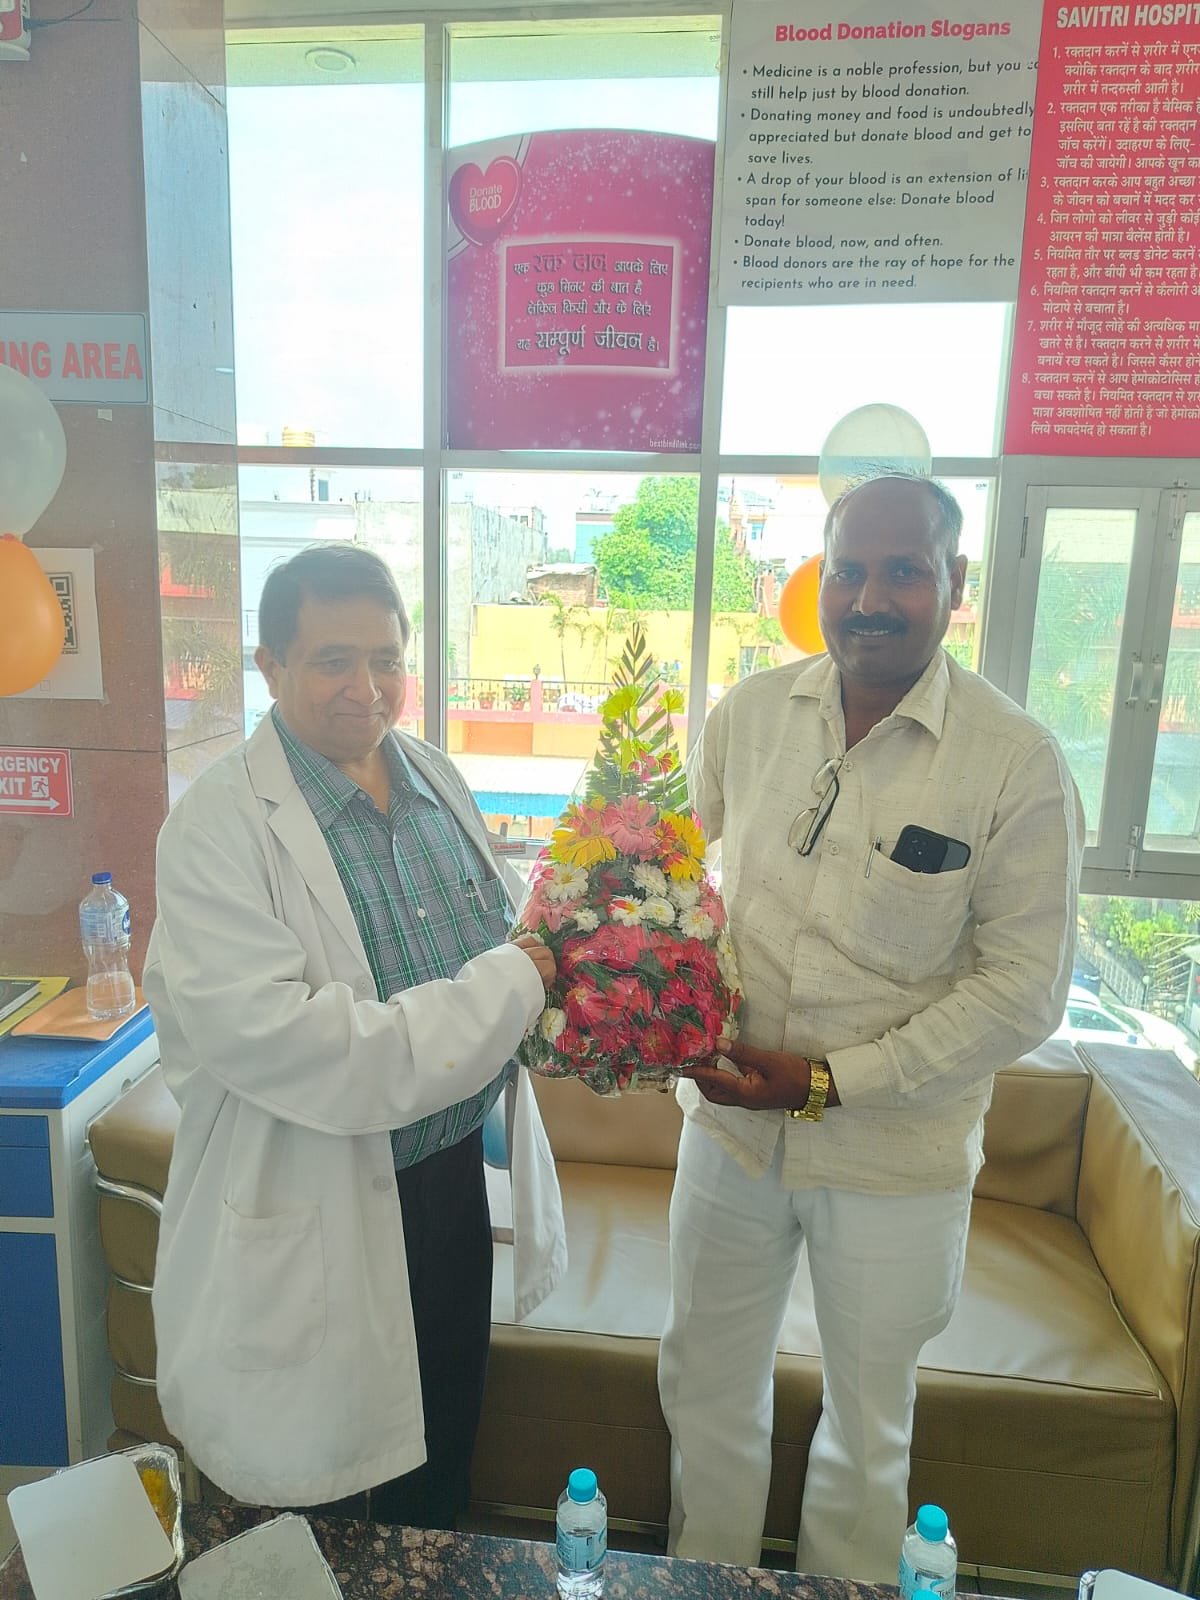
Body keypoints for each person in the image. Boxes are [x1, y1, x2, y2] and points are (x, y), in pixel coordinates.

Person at [658, 474, 1082, 1580]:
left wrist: (828, 1081)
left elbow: (1025, 989)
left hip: (896, 1159)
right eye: (848, 569)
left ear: (956, 583)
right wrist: (643, 995)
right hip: (730, 1135)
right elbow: (672, 881)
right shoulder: (751, 715)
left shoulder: (1014, 760)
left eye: (904, 571)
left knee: (865, 1427)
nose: (869, 598)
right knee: (703, 1388)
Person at [143, 543, 566, 1522]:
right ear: (270, 665)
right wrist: (517, 980)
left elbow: (501, 938)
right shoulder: (216, 829)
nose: (366, 689)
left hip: (450, 1191)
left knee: (439, 1467)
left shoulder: (434, 779)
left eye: (386, 659)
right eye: (332, 660)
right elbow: (308, 1050)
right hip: (317, 1196)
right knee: (320, 1510)